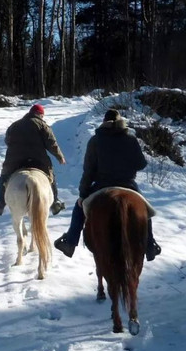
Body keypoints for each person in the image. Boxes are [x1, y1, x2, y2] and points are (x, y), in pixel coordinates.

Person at [54, 108, 162, 261]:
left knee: (79, 208)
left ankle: (70, 242)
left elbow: (89, 171)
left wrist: (83, 194)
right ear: (120, 122)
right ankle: (150, 246)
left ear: (104, 122)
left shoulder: (95, 140)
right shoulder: (130, 139)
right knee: (145, 211)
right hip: (128, 184)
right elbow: (141, 164)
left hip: (102, 185)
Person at [0, 104, 67, 216]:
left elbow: (7, 141)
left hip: (15, 160)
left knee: (4, 176)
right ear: (40, 114)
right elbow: (51, 143)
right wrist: (60, 156)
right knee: (51, 176)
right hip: (38, 160)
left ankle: (0, 202)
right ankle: (55, 202)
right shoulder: (42, 125)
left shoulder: (14, 125)